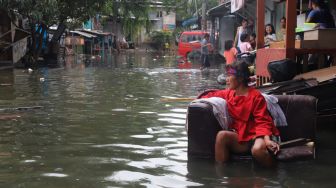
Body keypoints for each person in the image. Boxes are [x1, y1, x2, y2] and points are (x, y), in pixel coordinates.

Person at [200, 61, 280, 167]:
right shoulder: (229, 94)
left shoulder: (256, 96)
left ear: (241, 78)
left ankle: (274, 174)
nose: (227, 80)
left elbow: (262, 121)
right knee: (221, 136)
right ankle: (221, 177)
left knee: (257, 150)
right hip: (242, 136)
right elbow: (211, 94)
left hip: (259, 134)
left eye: (230, 76)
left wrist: (267, 140)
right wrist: (197, 100)